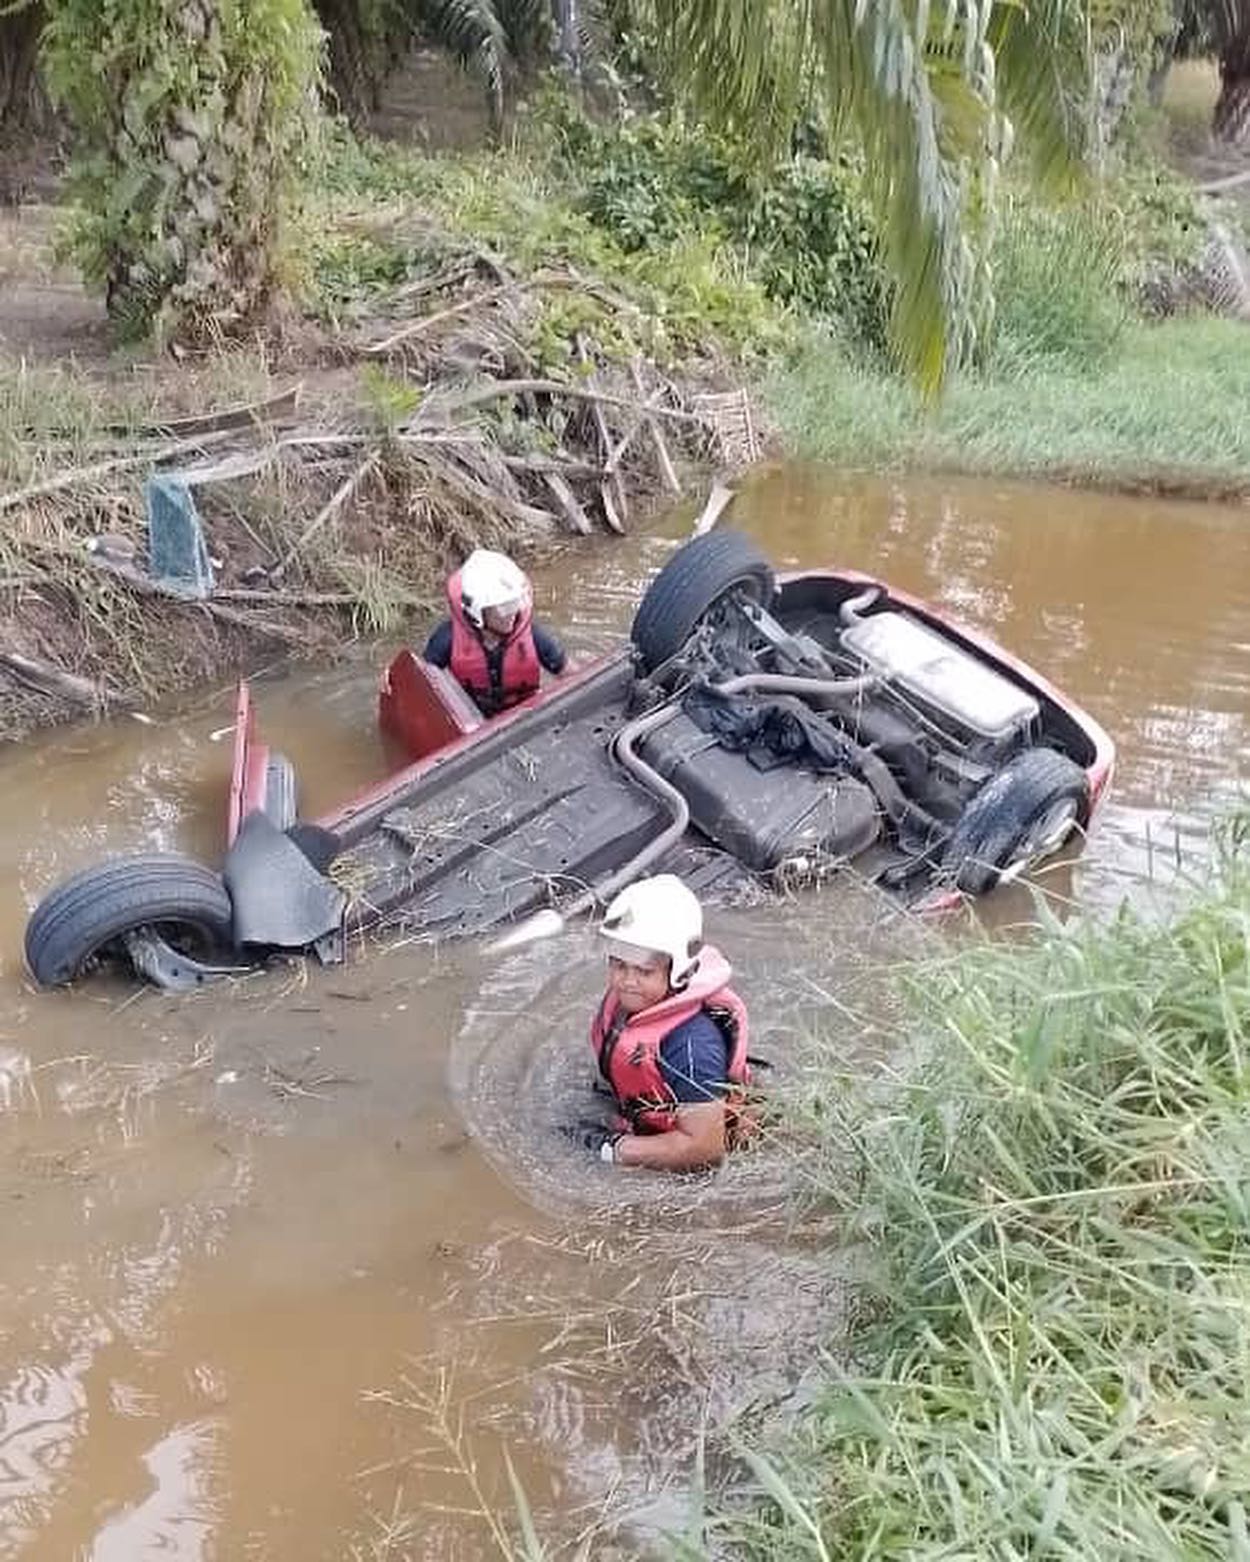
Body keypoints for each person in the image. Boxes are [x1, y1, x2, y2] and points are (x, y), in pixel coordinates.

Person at [584, 874, 750, 1172]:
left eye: (644, 971)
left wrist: (612, 1148)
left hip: (695, 1157)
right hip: (642, 1115)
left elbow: (704, 1147)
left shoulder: (691, 1048)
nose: (627, 981)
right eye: (619, 964)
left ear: (678, 970)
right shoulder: (631, 1002)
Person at [423, 548, 566, 717]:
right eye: (505, 608)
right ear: (477, 611)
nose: (513, 613)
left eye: (515, 603)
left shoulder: (535, 637)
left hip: (523, 720)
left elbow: (573, 678)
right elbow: (421, 687)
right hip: (474, 724)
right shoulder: (446, 639)